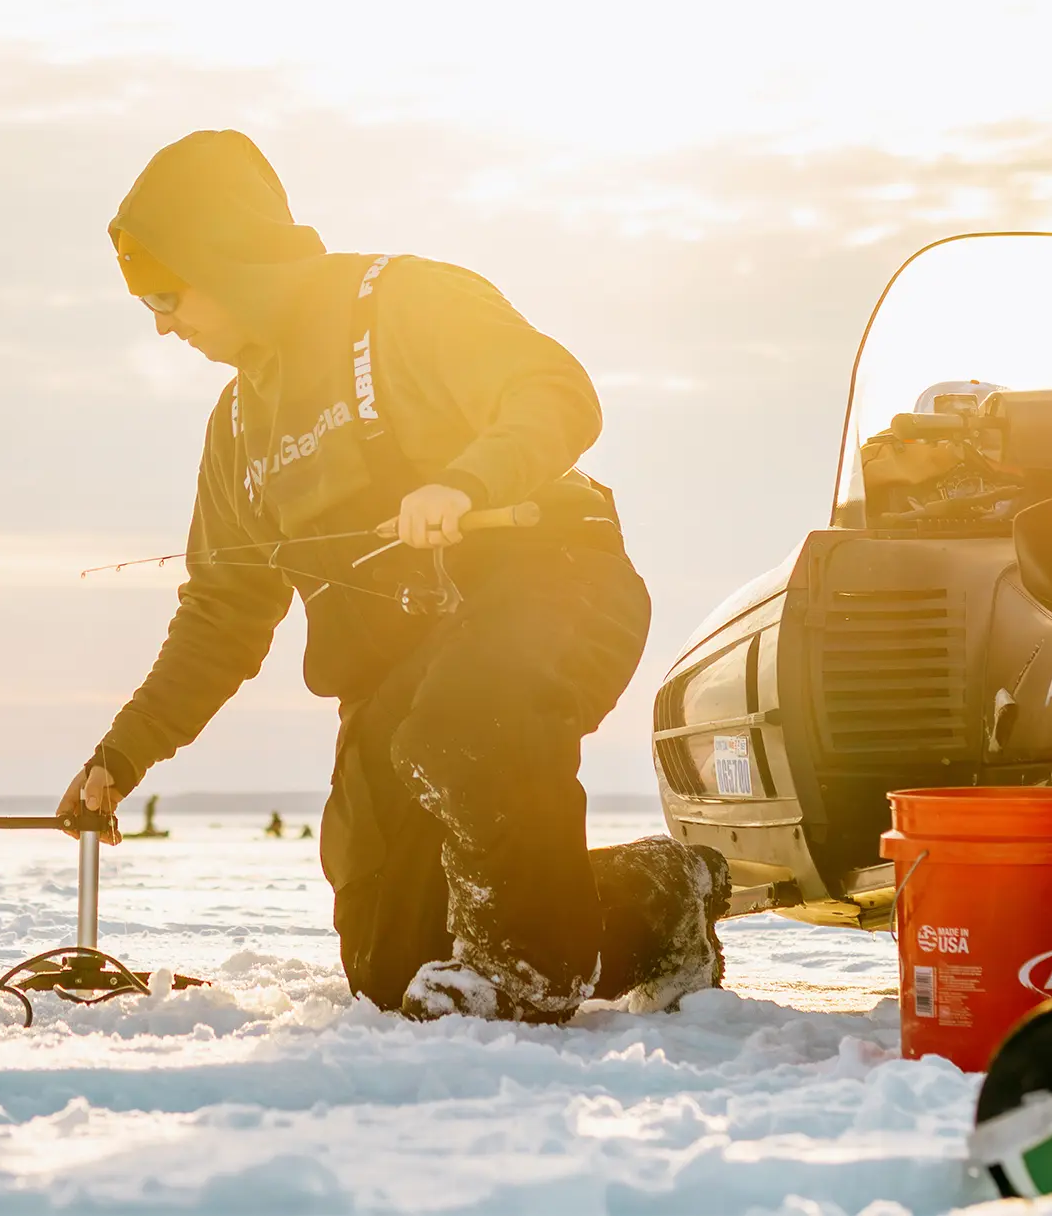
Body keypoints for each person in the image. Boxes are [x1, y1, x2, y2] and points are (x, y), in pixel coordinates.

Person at [62, 131, 729, 1023]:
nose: (160, 321)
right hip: (401, 670)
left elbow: (555, 388)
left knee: (463, 725)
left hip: (555, 589)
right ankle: (659, 897)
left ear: (227, 260)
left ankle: (528, 974)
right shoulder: (236, 434)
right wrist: (123, 751)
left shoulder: (401, 303)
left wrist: (466, 481)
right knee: (389, 967)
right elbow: (222, 613)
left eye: (164, 292)